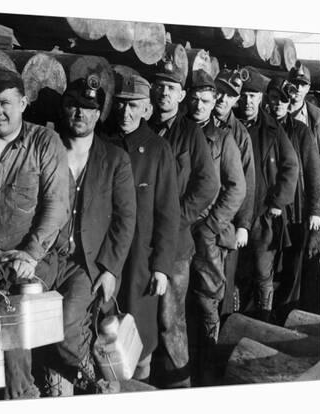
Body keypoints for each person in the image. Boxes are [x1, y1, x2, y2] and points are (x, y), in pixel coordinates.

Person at [0, 67, 69, 399]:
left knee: (12, 304)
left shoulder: (44, 141)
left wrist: (29, 254)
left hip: (34, 259)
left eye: (5, 103)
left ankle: (22, 395)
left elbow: (57, 204)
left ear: (24, 103)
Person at [42, 76, 136, 396]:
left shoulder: (115, 160)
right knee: (29, 321)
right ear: (63, 109)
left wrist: (110, 269)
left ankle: (90, 381)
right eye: (73, 106)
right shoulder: (47, 149)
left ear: (98, 114)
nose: (80, 113)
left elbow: (125, 220)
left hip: (88, 262)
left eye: (88, 107)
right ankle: (59, 385)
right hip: (47, 257)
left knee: (69, 324)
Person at [147, 58, 219, 388]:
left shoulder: (190, 134)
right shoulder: (139, 127)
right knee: (141, 318)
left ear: (181, 95)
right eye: (159, 86)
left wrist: (177, 218)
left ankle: (180, 388)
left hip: (175, 246)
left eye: (171, 88)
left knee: (170, 319)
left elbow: (208, 184)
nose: (164, 92)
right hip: (139, 242)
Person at [105, 73, 180, 384]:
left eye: (134, 106)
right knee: (107, 334)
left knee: (142, 339)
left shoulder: (158, 149)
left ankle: (141, 390)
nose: (126, 113)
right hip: (107, 257)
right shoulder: (103, 143)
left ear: (147, 110)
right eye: (121, 105)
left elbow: (168, 213)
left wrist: (162, 266)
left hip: (142, 261)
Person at [185, 69, 246, 381]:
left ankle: (207, 373)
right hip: (179, 230)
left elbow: (237, 187)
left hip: (208, 235)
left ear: (213, 105)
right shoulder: (177, 133)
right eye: (194, 100)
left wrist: (211, 224)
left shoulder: (224, 140)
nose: (199, 106)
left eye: (205, 101)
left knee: (207, 302)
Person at [235, 67, 299, 322]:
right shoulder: (233, 123)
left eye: (253, 96)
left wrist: (277, 202)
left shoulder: (273, 129)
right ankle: (235, 322)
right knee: (236, 272)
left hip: (263, 214)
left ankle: (263, 322)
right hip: (236, 212)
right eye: (244, 95)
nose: (247, 101)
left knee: (263, 272)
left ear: (261, 98)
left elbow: (291, 166)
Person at [266, 77, 320, 321]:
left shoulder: (301, 132)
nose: (278, 104)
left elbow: (314, 174)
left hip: (296, 213)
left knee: (292, 270)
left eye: (284, 100)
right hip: (268, 209)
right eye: (274, 98)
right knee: (267, 267)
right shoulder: (261, 127)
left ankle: (286, 318)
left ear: (290, 103)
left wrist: (315, 212)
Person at [213, 68, 256, 316]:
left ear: (236, 101)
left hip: (227, 222)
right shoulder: (197, 123)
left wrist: (243, 225)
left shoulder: (240, 134)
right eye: (220, 92)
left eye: (229, 96)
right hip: (200, 216)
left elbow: (248, 182)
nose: (222, 99)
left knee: (223, 283)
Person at [288, 60, 320, 168]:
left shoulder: (317, 117)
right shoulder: (278, 111)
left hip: (307, 172)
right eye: (295, 83)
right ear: (288, 84)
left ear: (308, 88)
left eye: (303, 85)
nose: (298, 89)